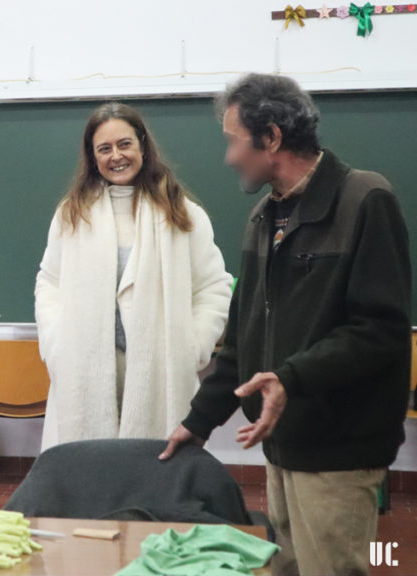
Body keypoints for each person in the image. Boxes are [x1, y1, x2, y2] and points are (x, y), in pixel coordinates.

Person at [159, 73, 411, 576]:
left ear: (271, 137)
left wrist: (290, 379)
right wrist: (198, 421)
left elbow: (380, 329)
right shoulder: (263, 218)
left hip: (338, 450)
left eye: (234, 140)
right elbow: (241, 341)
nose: (229, 156)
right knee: (287, 569)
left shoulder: (364, 200)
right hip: (281, 444)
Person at [35, 102, 233, 450]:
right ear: (92, 156)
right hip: (85, 371)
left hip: (161, 371)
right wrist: (56, 347)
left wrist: (193, 347)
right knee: (89, 478)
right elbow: (48, 283)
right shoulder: (72, 214)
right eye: (104, 148)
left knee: (154, 479)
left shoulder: (182, 213)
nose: (116, 156)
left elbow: (213, 287)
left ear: (142, 144)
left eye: (125, 144)